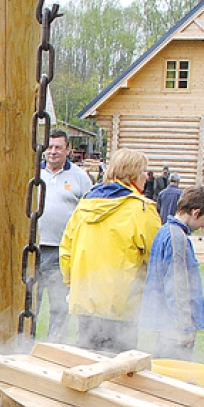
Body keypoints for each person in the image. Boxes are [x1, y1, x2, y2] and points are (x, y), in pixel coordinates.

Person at [59, 148, 160, 353]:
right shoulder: (141, 209)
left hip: (84, 300)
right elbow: (155, 256)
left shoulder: (84, 205)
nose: (146, 177)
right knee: (118, 369)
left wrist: (72, 284)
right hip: (121, 303)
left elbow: (66, 251)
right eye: (143, 172)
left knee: (87, 361)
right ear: (132, 175)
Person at [139, 186, 204, 360]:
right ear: (196, 212)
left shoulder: (165, 230)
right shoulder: (177, 238)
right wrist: (184, 328)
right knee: (172, 378)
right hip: (173, 328)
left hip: (166, 324)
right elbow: (177, 286)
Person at [38, 129, 92, 342]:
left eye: (58, 147)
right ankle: (23, 343)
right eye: (50, 147)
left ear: (68, 149)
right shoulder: (33, 172)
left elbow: (88, 211)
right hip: (33, 248)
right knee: (29, 301)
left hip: (61, 251)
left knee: (59, 304)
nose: (53, 152)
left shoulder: (79, 177)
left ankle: (55, 344)